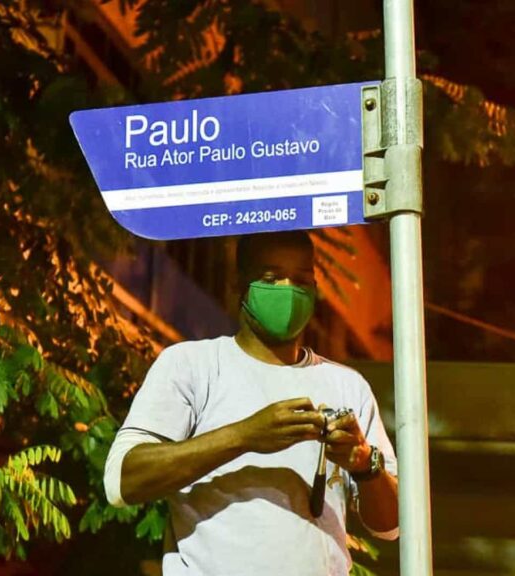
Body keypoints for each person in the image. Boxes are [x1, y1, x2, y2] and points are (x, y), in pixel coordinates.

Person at [103, 230, 399, 576]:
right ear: (239, 285)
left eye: (302, 280)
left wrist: (363, 463)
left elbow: (392, 526)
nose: (288, 290)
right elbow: (122, 481)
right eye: (271, 278)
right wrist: (244, 436)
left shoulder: (347, 385)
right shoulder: (191, 365)